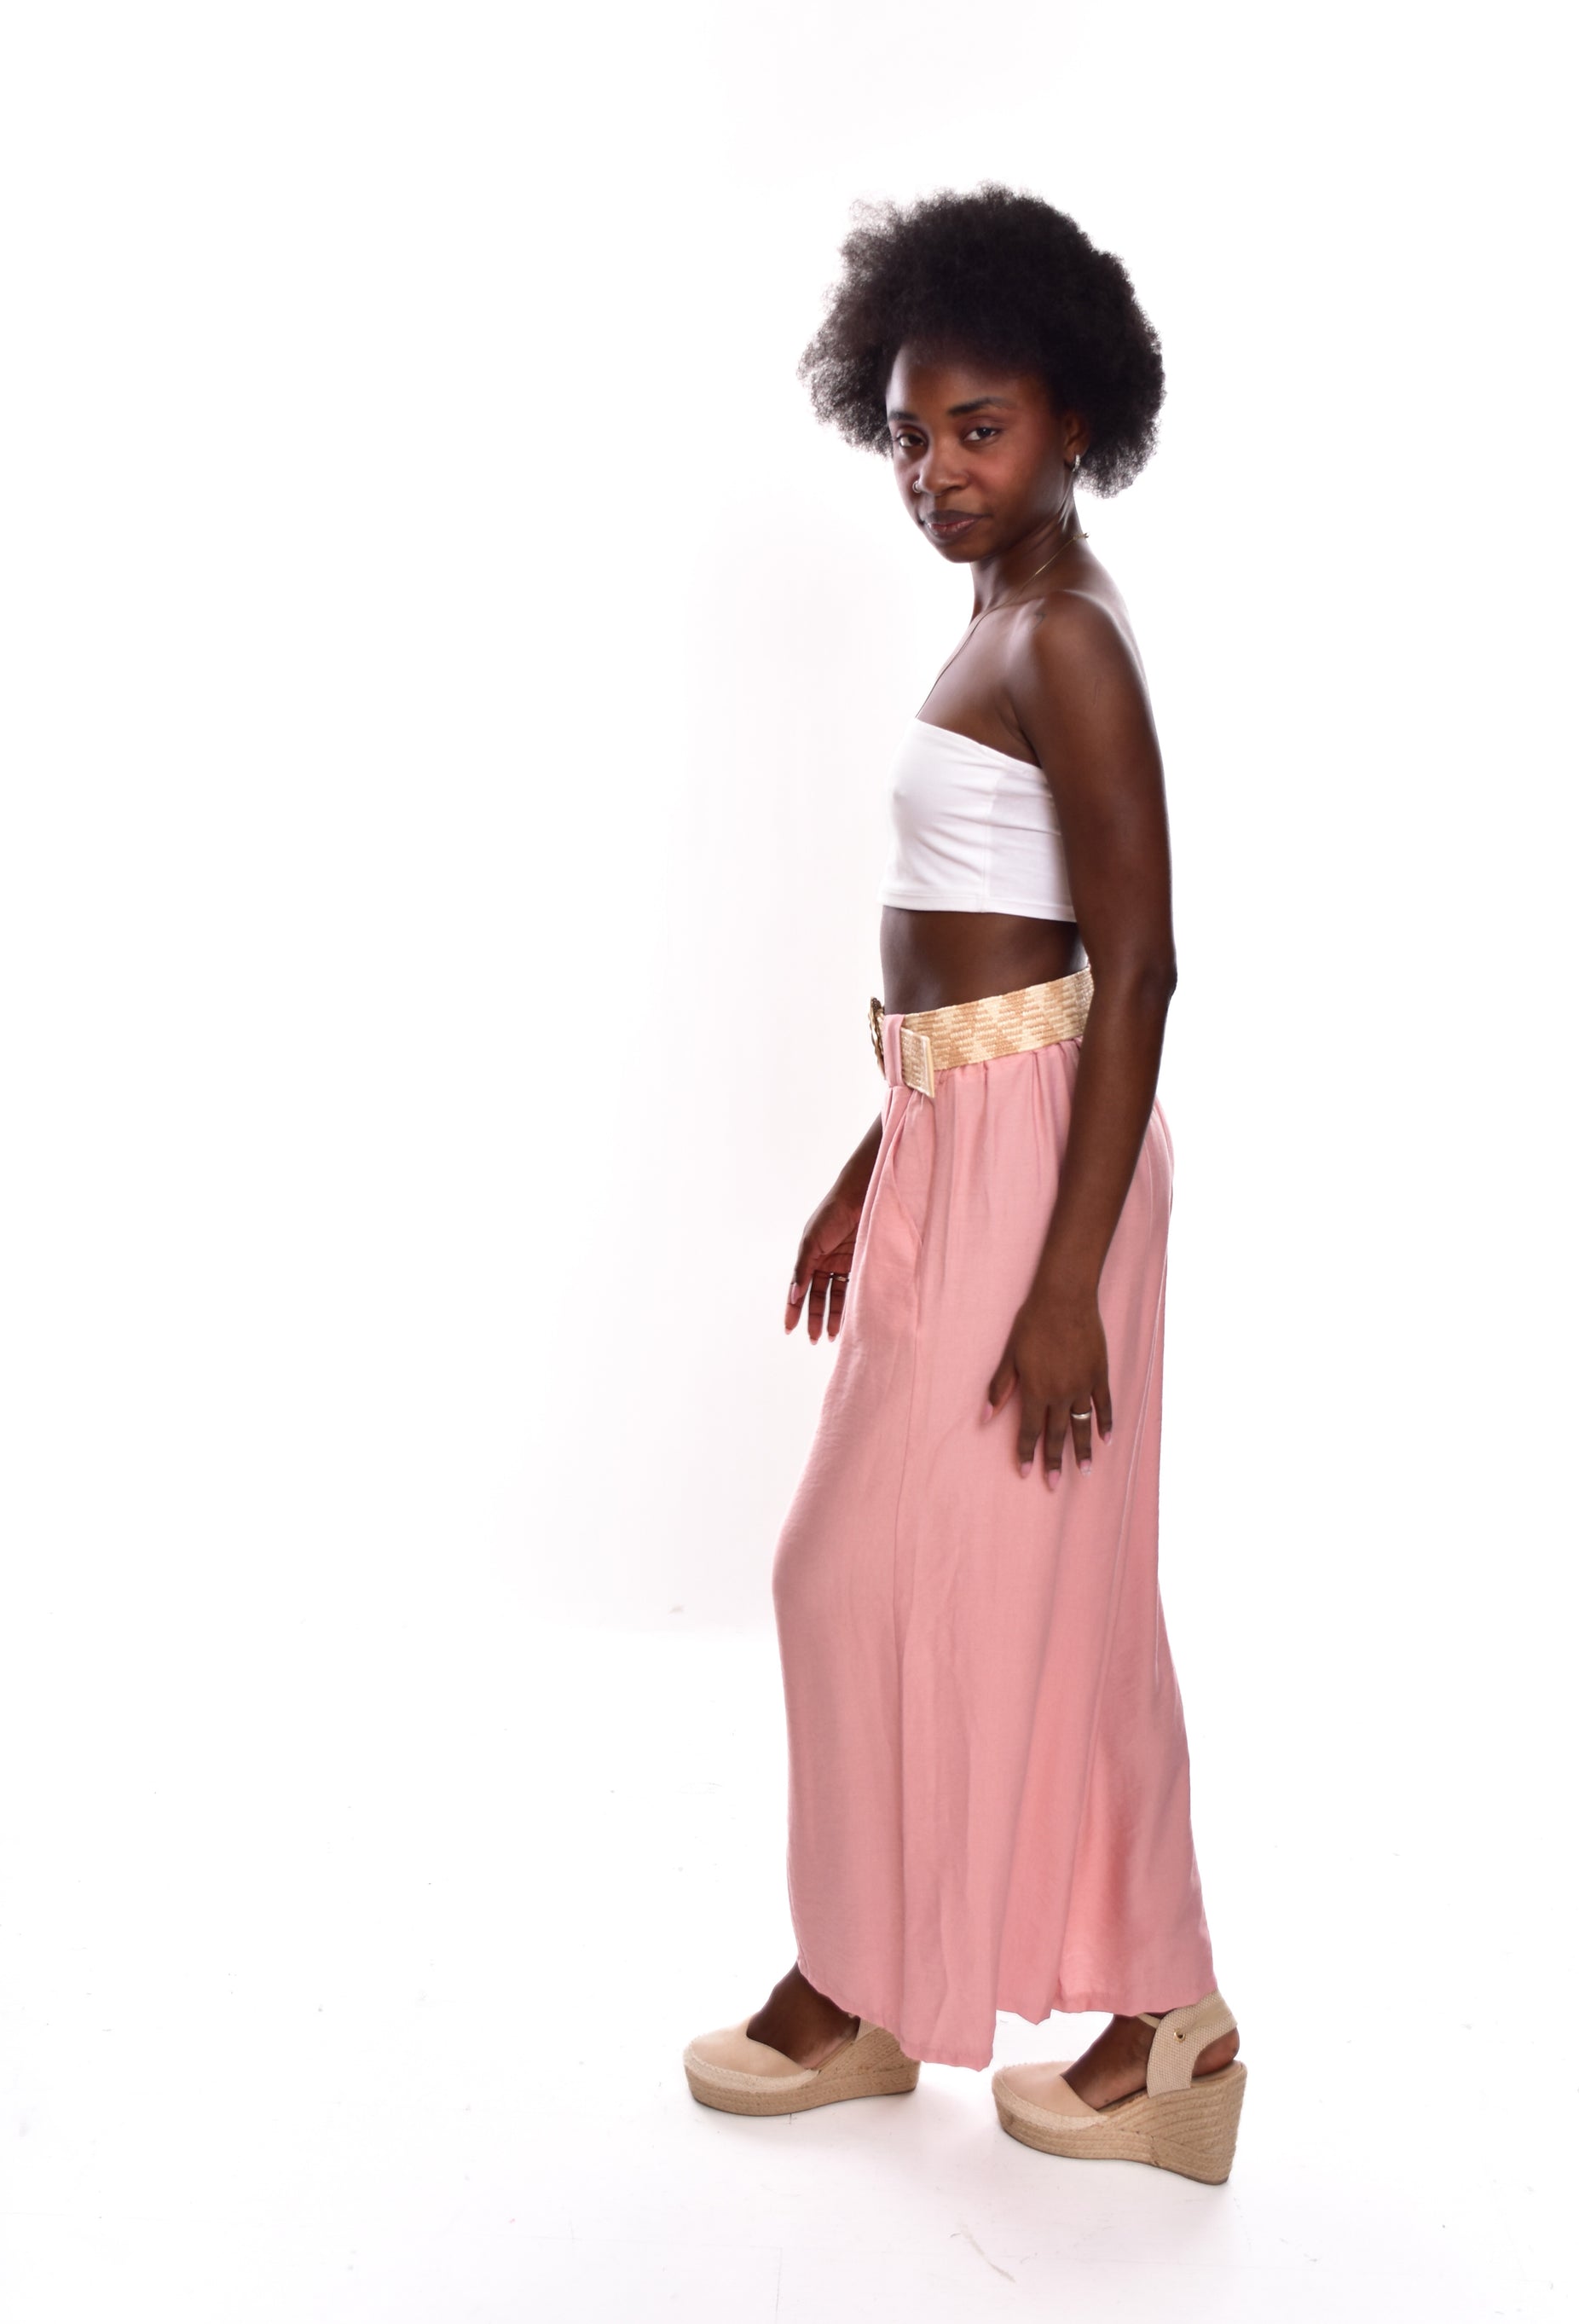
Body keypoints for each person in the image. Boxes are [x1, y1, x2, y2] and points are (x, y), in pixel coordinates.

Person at [683, 186, 1246, 2183]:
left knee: (1009, 1590)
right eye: (912, 434)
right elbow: (983, 943)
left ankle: (1131, 2020)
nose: (935, 469)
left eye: (979, 429)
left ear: (1075, 418)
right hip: (956, 1138)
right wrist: (877, 1153)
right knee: (893, 1576)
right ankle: (926, 1986)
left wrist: (1066, 1277)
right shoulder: (996, 611)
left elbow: (1136, 965)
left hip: (1040, 1173)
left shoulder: (1068, 637)